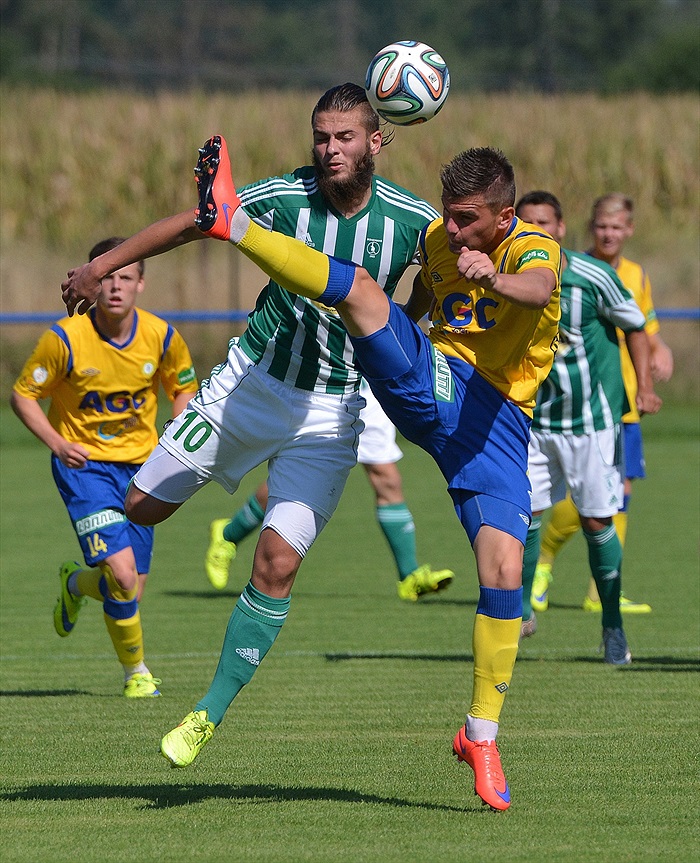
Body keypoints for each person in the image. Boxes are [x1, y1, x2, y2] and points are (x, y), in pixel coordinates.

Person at [61, 134, 563, 810]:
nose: (450, 226)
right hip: (435, 379)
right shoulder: (441, 241)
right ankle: (231, 218)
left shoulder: (532, 246)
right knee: (357, 288)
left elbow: (539, 288)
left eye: (467, 217)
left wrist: (492, 276)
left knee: (504, 572)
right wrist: (389, 332)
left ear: (504, 216)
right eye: (447, 211)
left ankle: (480, 733)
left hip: (498, 424)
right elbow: (412, 305)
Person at [59, 86, 452, 768]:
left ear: (377, 142)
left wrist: (410, 323)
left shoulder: (413, 221)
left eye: (346, 138)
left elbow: (439, 279)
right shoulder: (285, 195)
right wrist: (102, 264)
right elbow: (197, 221)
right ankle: (86, 580)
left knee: (277, 563)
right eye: (322, 137)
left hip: (331, 414)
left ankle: (206, 713)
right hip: (250, 384)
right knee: (139, 508)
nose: (331, 149)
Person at [12, 237, 197, 696]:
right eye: (108, 276)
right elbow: (23, 395)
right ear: (92, 283)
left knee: (127, 589)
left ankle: (74, 584)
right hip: (85, 467)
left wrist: (178, 428)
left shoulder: (162, 336)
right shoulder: (66, 338)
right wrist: (56, 442)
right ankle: (136, 674)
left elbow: (182, 387)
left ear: (141, 285)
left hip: (142, 471)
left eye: (126, 277)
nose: (116, 286)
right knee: (123, 575)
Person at [514, 191, 662, 654]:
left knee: (598, 520)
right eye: (527, 223)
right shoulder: (503, 278)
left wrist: (644, 387)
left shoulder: (591, 276)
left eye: (545, 223)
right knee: (523, 516)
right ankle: (520, 612)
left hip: (591, 423)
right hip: (533, 421)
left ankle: (612, 624)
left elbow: (635, 326)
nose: (536, 231)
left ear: (560, 228)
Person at [205, 378, 454, 600]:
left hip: (368, 391)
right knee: (292, 481)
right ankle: (228, 535)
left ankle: (409, 575)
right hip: (325, 393)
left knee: (387, 479)